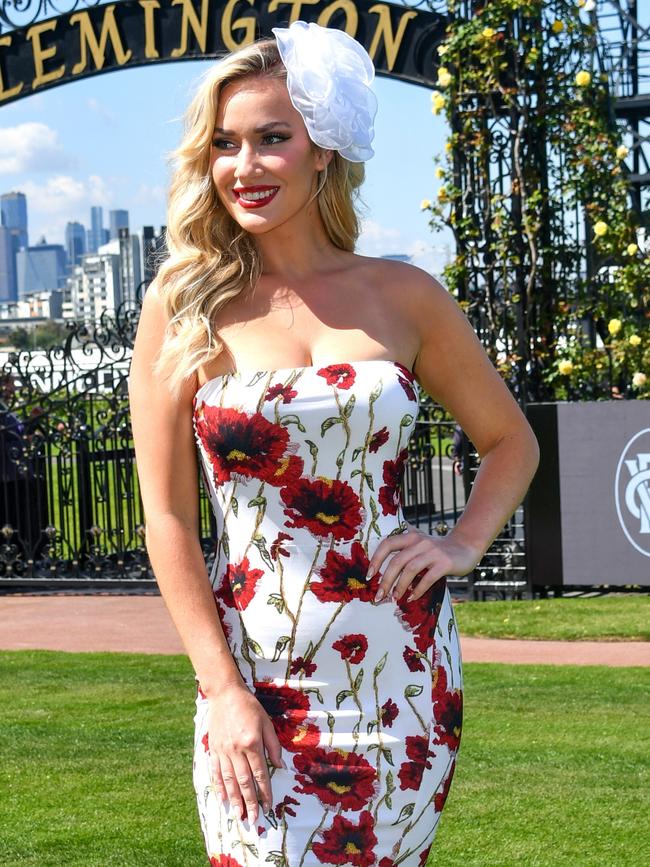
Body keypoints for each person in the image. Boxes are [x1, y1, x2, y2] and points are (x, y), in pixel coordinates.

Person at [128, 20, 539, 865]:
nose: (244, 166)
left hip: (401, 668)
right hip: (254, 674)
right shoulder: (185, 304)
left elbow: (510, 441)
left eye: (272, 139)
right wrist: (222, 689)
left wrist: (462, 542)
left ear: (324, 149)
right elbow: (165, 517)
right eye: (226, 144)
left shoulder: (403, 294)